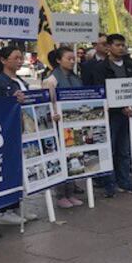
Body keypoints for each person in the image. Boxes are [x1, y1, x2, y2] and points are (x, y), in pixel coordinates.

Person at [0, 46, 36, 230]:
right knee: (8, 169)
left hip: (23, 129)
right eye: (16, 58)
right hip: (7, 133)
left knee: (20, 168)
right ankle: (6, 211)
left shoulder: (19, 79)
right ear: (3, 60)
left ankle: (19, 205)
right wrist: (12, 99)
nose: (20, 61)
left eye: (21, 58)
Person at [91, 34, 132, 197]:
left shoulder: (130, 64)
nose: (121, 48)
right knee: (108, 149)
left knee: (124, 149)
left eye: (123, 45)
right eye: (117, 45)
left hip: (129, 113)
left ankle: (124, 180)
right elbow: (102, 91)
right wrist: (119, 107)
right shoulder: (100, 68)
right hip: (111, 114)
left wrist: (131, 105)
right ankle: (109, 183)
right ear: (109, 47)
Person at [43, 47, 84, 209]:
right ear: (59, 60)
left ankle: (70, 192)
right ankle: (60, 194)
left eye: (74, 59)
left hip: (73, 124)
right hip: (59, 126)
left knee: (73, 157)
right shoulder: (51, 80)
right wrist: (54, 114)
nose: (73, 61)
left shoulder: (76, 78)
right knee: (61, 159)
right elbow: (45, 103)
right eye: (69, 58)